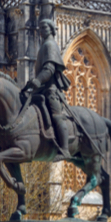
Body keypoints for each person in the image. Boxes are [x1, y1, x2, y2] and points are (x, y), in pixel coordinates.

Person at [20, 19, 72, 156]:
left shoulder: (50, 45)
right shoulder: (44, 45)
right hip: (42, 88)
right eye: (40, 27)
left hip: (51, 90)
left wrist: (37, 80)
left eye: (44, 27)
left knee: (56, 116)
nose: (41, 30)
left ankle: (65, 149)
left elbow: (49, 69)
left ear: (51, 29)